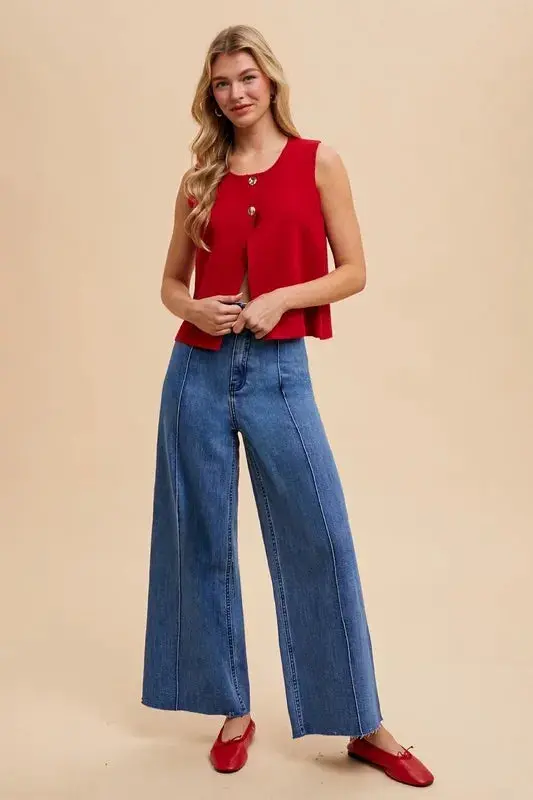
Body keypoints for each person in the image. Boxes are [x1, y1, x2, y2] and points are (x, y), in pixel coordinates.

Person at [141, 24, 434, 788]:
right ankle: (231, 711)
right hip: (196, 371)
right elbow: (170, 283)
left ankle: (364, 724)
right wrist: (192, 308)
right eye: (221, 83)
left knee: (320, 539)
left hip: (278, 372)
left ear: (270, 80)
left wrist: (281, 299)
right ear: (211, 95)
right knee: (199, 540)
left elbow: (354, 270)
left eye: (246, 77)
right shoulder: (199, 178)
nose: (235, 93)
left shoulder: (317, 162)